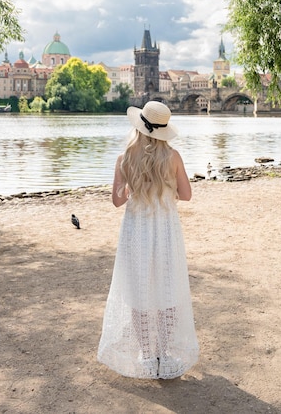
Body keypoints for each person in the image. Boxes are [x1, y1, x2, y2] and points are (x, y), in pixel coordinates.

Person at [97, 101, 199, 379]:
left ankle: (146, 355)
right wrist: (168, 192)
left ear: (139, 126)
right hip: (165, 229)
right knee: (167, 290)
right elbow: (187, 194)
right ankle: (164, 355)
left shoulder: (125, 157)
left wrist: (132, 187)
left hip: (136, 231)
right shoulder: (174, 156)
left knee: (138, 292)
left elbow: (117, 201)